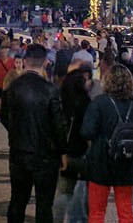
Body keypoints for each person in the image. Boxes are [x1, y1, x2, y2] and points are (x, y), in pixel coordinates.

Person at [3, 45, 64, 223]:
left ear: (26, 61)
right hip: (46, 155)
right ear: (45, 63)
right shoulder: (50, 90)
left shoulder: (12, 88)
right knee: (44, 205)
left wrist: (16, 132)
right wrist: (62, 150)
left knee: (17, 200)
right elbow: (58, 124)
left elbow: (4, 117)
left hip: (19, 152)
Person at [81, 66, 133, 223]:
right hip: (127, 161)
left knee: (97, 211)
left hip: (101, 161)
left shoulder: (99, 103)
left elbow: (86, 131)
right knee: (125, 210)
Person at [56, 64, 95, 223]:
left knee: (64, 191)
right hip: (81, 152)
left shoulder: (60, 101)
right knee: (83, 192)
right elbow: (87, 131)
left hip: (64, 151)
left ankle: (56, 219)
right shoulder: (86, 103)